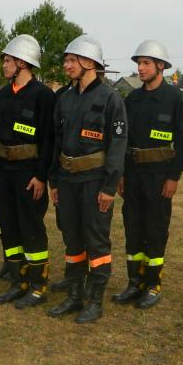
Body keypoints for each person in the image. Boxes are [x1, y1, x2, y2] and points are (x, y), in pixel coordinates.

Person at [46, 35, 127, 323]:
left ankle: (94, 301)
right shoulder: (65, 98)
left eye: (72, 60)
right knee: (72, 238)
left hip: (95, 182)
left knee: (96, 241)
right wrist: (54, 181)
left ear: (89, 63)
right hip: (67, 181)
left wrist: (109, 187)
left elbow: (117, 146)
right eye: (66, 60)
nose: (66, 65)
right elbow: (56, 142)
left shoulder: (110, 99)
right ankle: (74, 295)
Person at [112, 40, 183, 310]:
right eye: (139, 63)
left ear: (161, 66)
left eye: (146, 63)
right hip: (133, 176)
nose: (141, 68)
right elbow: (123, 140)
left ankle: (153, 285)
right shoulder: (132, 99)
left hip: (159, 178)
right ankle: (134, 283)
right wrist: (121, 174)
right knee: (133, 228)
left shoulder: (174, 99)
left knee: (155, 230)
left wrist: (173, 177)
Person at [0, 34, 56, 309]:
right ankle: (18, 282)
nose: (4, 65)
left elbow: (49, 140)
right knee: (9, 226)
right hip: (4, 172)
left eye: (8, 60)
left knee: (31, 227)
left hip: (29, 173)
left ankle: (38, 285)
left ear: (23, 62)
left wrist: (41, 176)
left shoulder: (43, 96)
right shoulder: (3, 96)